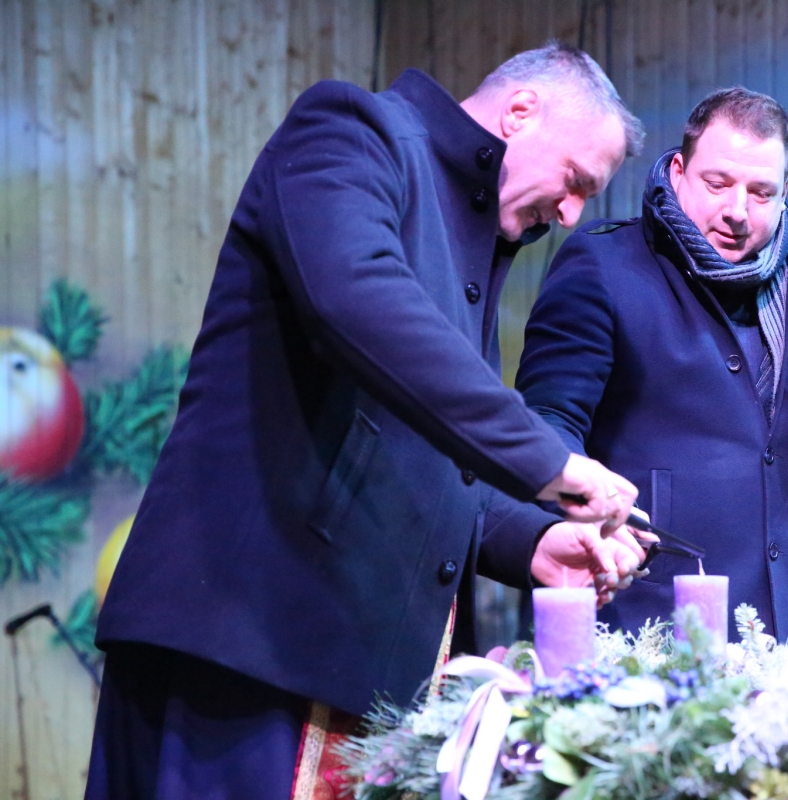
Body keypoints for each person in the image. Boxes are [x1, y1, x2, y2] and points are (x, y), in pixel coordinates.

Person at [86, 43, 649, 799]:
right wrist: (553, 463)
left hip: (342, 662)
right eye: (576, 181)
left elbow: (429, 457)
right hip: (250, 641)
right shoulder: (354, 130)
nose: (573, 213)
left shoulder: (478, 236)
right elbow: (359, 302)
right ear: (521, 112)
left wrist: (537, 541)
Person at [498, 88, 788, 647]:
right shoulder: (604, 265)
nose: (737, 210)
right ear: (679, 172)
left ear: (785, 192)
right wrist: (588, 513)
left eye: (761, 192)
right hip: (651, 616)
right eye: (717, 184)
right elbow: (547, 422)